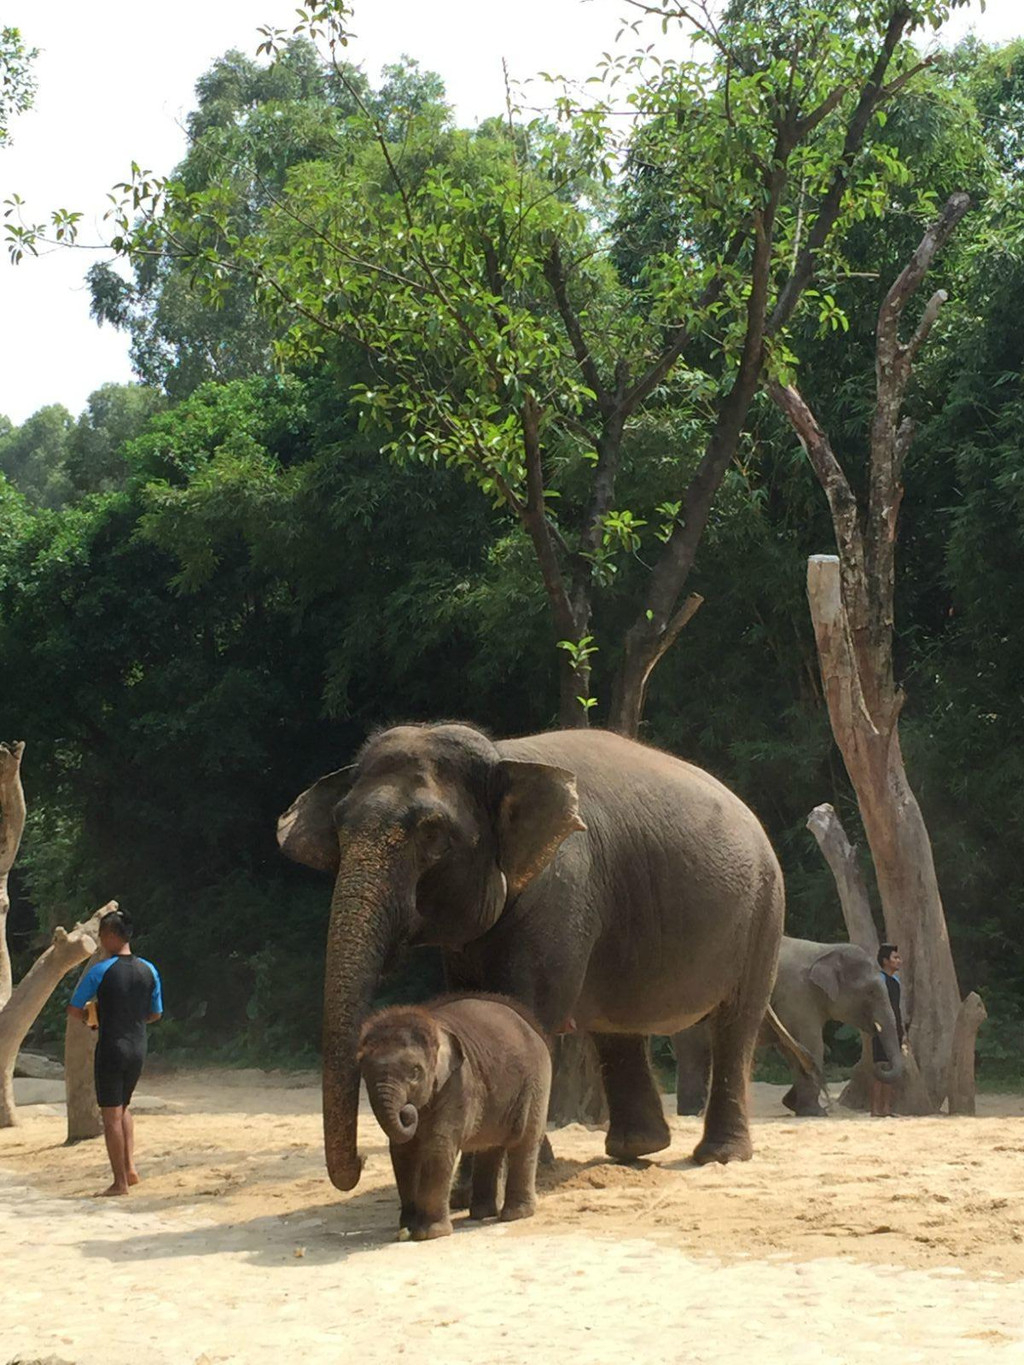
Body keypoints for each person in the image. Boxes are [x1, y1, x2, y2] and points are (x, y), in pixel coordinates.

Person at [67, 909, 163, 1196]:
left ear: (110, 936)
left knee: (111, 1115)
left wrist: (90, 1017)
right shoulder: (149, 969)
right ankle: (131, 1169)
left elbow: (73, 1009)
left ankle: (119, 1183)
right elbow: (155, 1014)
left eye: (100, 937)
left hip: (111, 1047)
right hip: (138, 1046)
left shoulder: (100, 971)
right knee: (124, 1107)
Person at [870, 942, 904, 1118]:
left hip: (895, 1028)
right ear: (885, 961)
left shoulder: (896, 981)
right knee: (880, 1067)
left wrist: (902, 1031)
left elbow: (897, 1008)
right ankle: (875, 1109)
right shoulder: (879, 980)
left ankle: (887, 1108)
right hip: (882, 1028)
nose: (899, 961)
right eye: (895, 958)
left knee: (893, 1067)